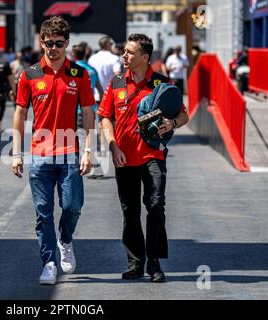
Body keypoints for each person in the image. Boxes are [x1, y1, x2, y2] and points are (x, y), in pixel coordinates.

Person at [98, 34, 189, 283]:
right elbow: (105, 116)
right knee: (130, 211)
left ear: (144, 57)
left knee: (156, 205)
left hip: (153, 155)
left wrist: (172, 123)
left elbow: (183, 116)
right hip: (124, 157)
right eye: (124, 51)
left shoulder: (162, 83)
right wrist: (112, 146)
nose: (124, 56)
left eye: (129, 52)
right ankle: (135, 263)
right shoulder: (116, 83)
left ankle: (155, 263)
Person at [12, 16, 95, 285]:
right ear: (42, 42)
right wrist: (16, 152)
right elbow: (20, 112)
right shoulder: (30, 74)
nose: (53, 48)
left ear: (67, 43)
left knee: (72, 206)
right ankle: (48, 263)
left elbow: (89, 114)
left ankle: (66, 240)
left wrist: (88, 151)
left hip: (70, 151)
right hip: (39, 154)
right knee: (43, 211)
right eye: (49, 43)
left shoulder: (79, 74)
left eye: (59, 43)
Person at [71, 43, 105, 178]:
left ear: (73, 54)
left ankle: (85, 166)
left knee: (78, 137)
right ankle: (85, 164)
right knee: (87, 136)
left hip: (76, 109)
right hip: (91, 108)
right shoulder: (92, 70)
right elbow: (100, 90)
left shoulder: (72, 70)